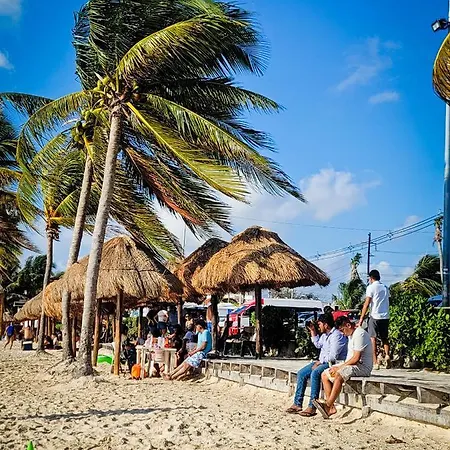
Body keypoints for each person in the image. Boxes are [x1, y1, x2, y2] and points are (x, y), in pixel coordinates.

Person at [286, 314, 347, 417]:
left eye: (319, 324)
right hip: (322, 362)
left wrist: (320, 362)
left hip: (333, 363)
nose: (319, 326)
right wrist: (313, 331)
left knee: (315, 373)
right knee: (301, 373)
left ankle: (312, 406)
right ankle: (297, 404)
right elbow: (318, 344)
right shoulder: (324, 335)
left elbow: (333, 356)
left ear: (326, 325)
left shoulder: (336, 335)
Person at [314, 316, 373, 419]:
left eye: (342, 330)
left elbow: (356, 358)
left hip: (362, 367)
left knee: (339, 374)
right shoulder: (351, 335)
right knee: (325, 374)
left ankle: (328, 405)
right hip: (352, 364)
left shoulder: (360, 334)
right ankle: (331, 408)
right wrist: (338, 367)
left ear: (348, 325)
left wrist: (339, 368)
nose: (342, 333)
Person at [358, 269, 390, 369]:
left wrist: (361, 318)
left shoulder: (370, 288)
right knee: (384, 337)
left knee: (373, 338)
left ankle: (375, 362)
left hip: (374, 315)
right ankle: (387, 355)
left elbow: (367, 303)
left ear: (371, 278)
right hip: (385, 316)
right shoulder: (385, 287)